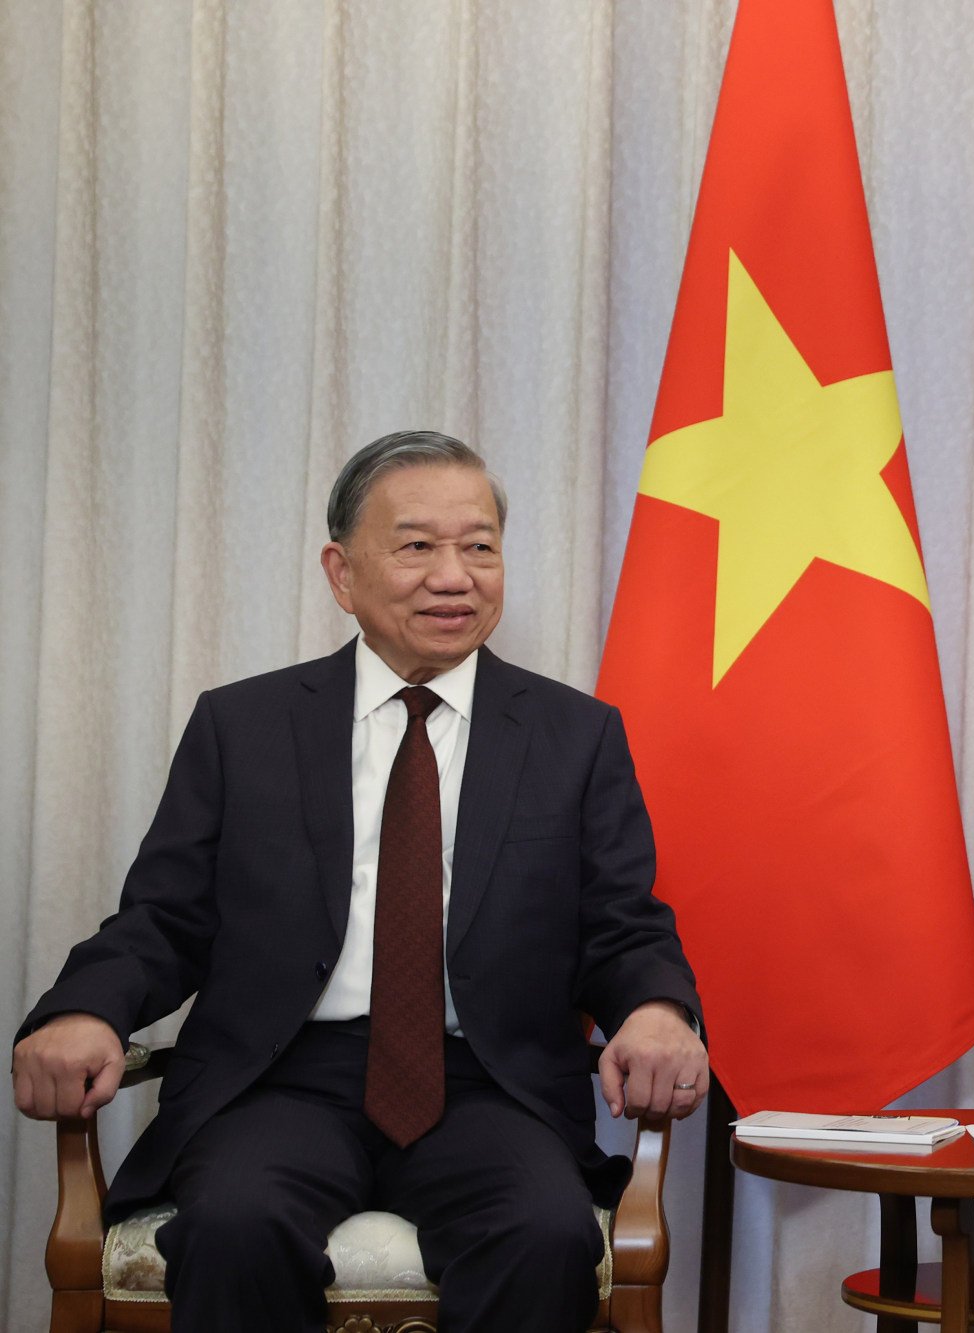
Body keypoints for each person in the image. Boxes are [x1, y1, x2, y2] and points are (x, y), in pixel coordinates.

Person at [11, 430, 706, 1333]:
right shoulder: (245, 725)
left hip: (488, 1082)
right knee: (232, 1224)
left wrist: (657, 1007)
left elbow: (622, 922)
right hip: (284, 1077)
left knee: (543, 1234)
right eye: (417, 545)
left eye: (480, 546)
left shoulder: (576, 735)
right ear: (342, 572)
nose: (454, 575)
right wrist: (84, 1009)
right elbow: (164, 917)